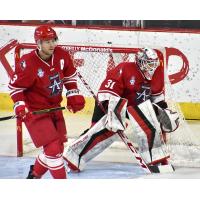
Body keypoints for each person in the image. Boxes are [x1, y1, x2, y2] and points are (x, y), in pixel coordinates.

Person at [63, 47, 179, 172]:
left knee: (150, 120)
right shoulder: (125, 68)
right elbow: (107, 93)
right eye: (148, 63)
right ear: (140, 61)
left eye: (154, 63)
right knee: (99, 131)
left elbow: (157, 99)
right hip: (111, 105)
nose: (152, 66)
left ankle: (156, 157)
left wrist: (164, 111)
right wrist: (113, 113)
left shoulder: (157, 74)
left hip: (134, 108)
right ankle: (72, 156)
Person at [8, 25, 85, 179]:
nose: (52, 44)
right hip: (35, 111)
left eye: (53, 40)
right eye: (47, 41)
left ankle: (35, 175)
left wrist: (72, 94)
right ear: (38, 43)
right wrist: (20, 105)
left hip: (54, 107)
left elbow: (69, 76)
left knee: (58, 148)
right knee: (53, 150)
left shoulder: (61, 55)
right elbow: (15, 87)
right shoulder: (27, 62)